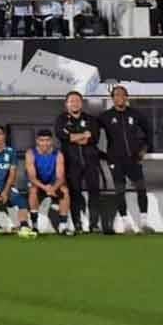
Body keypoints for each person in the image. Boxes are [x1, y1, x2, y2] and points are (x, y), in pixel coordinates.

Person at [97, 85, 153, 233]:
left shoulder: (136, 114)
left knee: (141, 189)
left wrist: (144, 150)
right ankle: (126, 224)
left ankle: (144, 223)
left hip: (134, 159)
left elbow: (149, 133)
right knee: (120, 191)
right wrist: (103, 154)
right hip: (115, 161)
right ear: (112, 98)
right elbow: (93, 133)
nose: (119, 97)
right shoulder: (105, 116)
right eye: (116, 95)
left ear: (127, 97)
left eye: (122, 95)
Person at [55, 91, 106, 233]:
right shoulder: (61, 119)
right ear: (66, 104)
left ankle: (94, 224)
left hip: (91, 161)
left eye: (77, 100)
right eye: (71, 101)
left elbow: (93, 138)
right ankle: (77, 223)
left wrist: (74, 136)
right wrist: (83, 135)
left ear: (81, 103)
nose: (74, 103)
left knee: (94, 192)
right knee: (74, 192)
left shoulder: (91, 119)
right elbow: (63, 136)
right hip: (72, 162)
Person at [25, 130, 74, 236]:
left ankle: (63, 226)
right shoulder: (30, 153)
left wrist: (53, 188)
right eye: (42, 140)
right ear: (37, 141)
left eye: (47, 140)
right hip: (38, 183)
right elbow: (32, 177)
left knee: (65, 191)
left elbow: (61, 177)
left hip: (53, 184)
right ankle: (34, 226)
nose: (45, 143)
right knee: (33, 190)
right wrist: (45, 188)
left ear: (51, 141)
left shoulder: (58, 154)